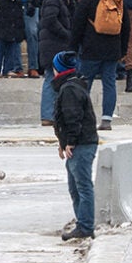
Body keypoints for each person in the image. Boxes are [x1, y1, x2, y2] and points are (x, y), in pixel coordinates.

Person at [50, 50, 100, 241]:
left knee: (82, 185)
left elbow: (73, 118)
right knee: (76, 185)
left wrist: (70, 142)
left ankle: (85, 225)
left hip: (82, 143)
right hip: (81, 142)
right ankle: (83, 223)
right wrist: (63, 143)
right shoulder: (72, 86)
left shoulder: (69, 89)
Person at [78, 0, 129, 129]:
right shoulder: (118, 0)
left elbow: (77, 24)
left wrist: (74, 46)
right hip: (112, 50)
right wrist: (122, 50)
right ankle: (107, 119)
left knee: (84, 83)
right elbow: (126, 27)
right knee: (109, 84)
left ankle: (82, 117)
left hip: (90, 49)